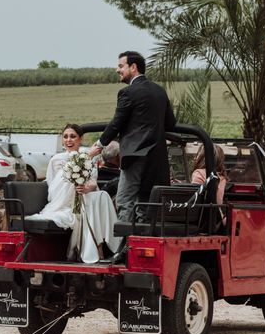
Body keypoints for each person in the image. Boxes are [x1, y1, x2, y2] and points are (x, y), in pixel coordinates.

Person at [90, 51, 177, 224]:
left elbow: (116, 123)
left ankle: (124, 245)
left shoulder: (127, 93)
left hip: (135, 154)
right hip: (157, 156)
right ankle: (143, 237)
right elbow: (171, 123)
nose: (117, 70)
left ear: (133, 67)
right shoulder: (159, 91)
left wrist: (99, 145)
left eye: (121, 66)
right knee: (145, 199)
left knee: (124, 199)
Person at [27, 124, 120, 263]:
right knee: (87, 206)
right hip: (63, 200)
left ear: (80, 139)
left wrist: (86, 188)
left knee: (101, 196)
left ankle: (106, 246)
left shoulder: (88, 157)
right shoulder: (56, 159)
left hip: (84, 196)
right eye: (65, 136)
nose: (68, 140)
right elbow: (52, 184)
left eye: (72, 136)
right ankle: (95, 249)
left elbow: (93, 181)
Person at [191, 143, 228, 225]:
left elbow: (195, 198)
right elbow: (219, 201)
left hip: (201, 220)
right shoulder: (222, 177)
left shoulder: (198, 173)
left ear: (202, 157)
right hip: (217, 218)